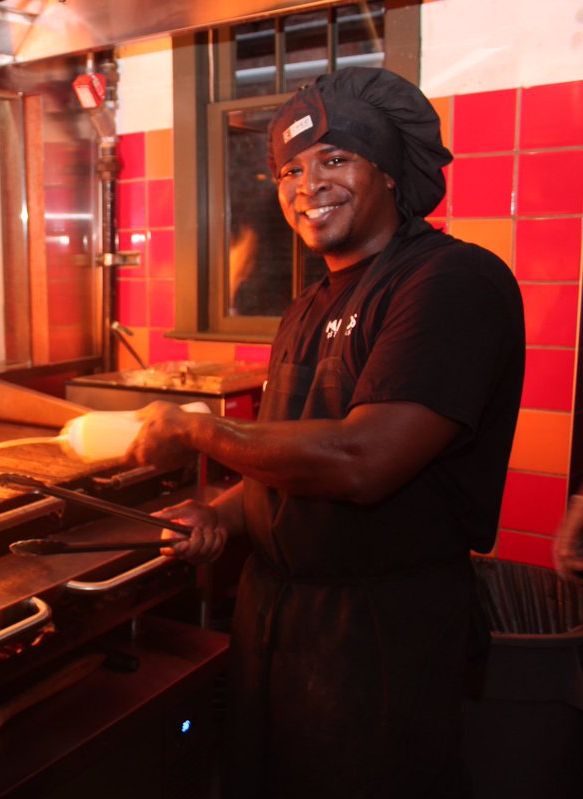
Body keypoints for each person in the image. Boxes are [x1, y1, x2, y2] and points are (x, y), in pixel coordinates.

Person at [129, 67, 525, 798]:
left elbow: (358, 459)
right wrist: (218, 514)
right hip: (276, 625)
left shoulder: (451, 283)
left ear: (388, 172)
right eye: (290, 169)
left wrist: (196, 429)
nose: (308, 184)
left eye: (334, 159)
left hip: (382, 638)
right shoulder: (306, 305)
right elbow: (285, 466)